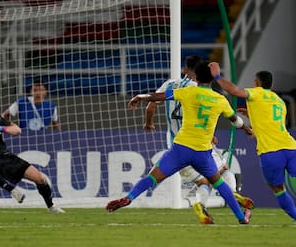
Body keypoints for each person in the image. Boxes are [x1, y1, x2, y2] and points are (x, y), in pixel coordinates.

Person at [106, 61, 252, 224]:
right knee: (219, 183)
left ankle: (128, 197)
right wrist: (246, 128)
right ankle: (241, 217)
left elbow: (157, 97)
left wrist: (140, 97)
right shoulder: (220, 100)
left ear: (195, 77)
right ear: (212, 78)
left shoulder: (188, 92)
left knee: (152, 177)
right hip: (202, 153)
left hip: (180, 149)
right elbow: (235, 120)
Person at [209, 62, 296, 221]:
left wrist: (217, 76)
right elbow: (272, 124)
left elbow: (233, 91)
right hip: (291, 148)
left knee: (278, 189)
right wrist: (251, 115)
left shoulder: (257, 93)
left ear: (257, 83)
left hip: (271, 151)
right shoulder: (279, 101)